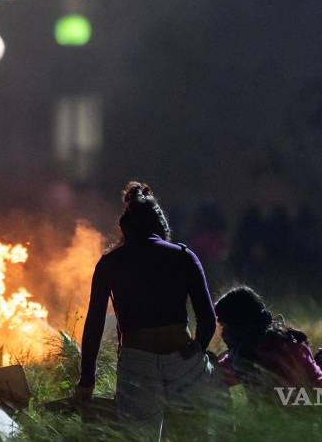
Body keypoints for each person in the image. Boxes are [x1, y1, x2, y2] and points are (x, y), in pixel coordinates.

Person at [77, 181, 218, 438]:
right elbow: (208, 319)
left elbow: (94, 325)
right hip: (181, 356)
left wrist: (87, 379)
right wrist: (195, 352)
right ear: (160, 226)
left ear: (125, 228)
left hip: (136, 362)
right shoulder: (184, 256)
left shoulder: (110, 264)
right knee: (191, 436)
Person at [213, 286, 322, 417]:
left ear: (239, 324)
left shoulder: (277, 350)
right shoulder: (285, 343)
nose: (223, 333)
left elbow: (215, 376)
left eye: (224, 326)